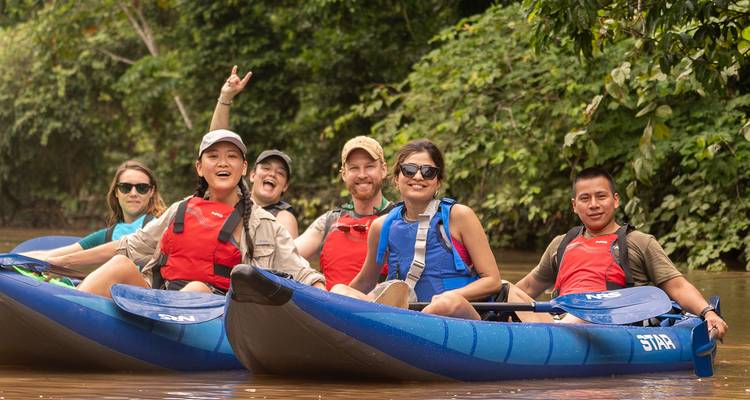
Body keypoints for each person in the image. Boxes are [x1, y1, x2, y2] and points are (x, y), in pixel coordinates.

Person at [47, 130, 325, 298]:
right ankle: (66, 309)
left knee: (197, 288)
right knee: (121, 264)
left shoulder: (263, 222)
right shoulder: (181, 209)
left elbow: (305, 276)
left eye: (231, 156)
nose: (222, 162)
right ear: (199, 168)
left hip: (215, 311)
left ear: (243, 168)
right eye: (213, 156)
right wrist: (56, 263)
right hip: (159, 298)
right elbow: (129, 246)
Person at [514, 167, 728, 338]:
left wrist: (707, 312)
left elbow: (677, 286)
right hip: (560, 318)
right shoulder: (560, 244)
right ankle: (546, 333)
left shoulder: (640, 242)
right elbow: (530, 286)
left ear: (615, 200)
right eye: (585, 199)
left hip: (611, 322)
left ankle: (551, 334)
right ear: (574, 205)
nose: (594, 205)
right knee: (507, 289)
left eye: (601, 196)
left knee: (589, 312)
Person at [331, 139, 502, 320]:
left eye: (428, 172)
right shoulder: (381, 226)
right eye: (409, 170)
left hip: (458, 315)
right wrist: (332, 302)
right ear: (397, 178)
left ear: (438, 182)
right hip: (409, 318)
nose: (418, 177)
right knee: (339, 290)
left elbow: (492, 281)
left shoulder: (459, 216)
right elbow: (366, 281)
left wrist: (451, 296)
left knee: (446, 304)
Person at [209, 66, 298, 237]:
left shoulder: (283, 218)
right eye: (266, 168)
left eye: (280, 173)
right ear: (251, 175)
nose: (272, 174)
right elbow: (215, 143)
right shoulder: (232, 198)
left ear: (285, 186)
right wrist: (225, 97)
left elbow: (288, 262)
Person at [24, 160, 166, 258]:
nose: (133, 193)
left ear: (151, 192)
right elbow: (54, 255)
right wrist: (9, 260)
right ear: (116, 192)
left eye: (142, 188)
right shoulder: (107, 235)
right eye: (126, 187)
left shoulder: (161, 226)